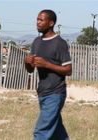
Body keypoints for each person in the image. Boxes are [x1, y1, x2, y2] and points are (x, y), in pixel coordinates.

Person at [24, 9, 72, 140]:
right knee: (57, 133)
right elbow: (30, 70)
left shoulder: (59, 43)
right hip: (42, 92)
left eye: (41, 20)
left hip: (55, 93)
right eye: (37, 19)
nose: (37, 22)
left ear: (51, 23)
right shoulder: (37, 42)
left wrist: (47, 65)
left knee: (41, 132)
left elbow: (68, 70)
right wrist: (27, 62)